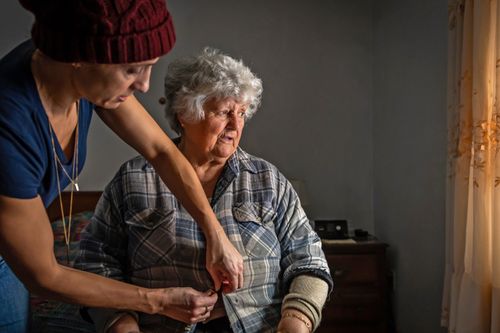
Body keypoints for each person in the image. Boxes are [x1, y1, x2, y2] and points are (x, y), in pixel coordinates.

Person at [0, 1, 243, 332]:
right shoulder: (8, 126)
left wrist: (215, 234)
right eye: (132, 70)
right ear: (79, 59)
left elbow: (161, 151)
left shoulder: (79, 73)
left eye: (149, 67)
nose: (144, 86)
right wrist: (157, 300)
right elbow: (44, 275)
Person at [75, 48, 333, 333]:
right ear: (185, 113)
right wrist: (121, 325)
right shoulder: (134, 179)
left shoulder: (268, 181)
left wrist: (295, 321)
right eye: (223, 112)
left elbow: (309, 261)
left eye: (242, 113)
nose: (235, 125)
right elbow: (94, 261)